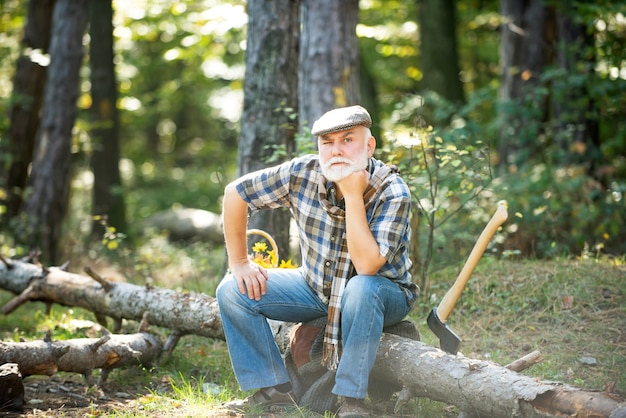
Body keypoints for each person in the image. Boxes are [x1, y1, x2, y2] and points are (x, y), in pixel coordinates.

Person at [216, 105, 419, 417]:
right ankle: (275, 389)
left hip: (381, 293)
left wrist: (353, 196)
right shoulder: (303, 173)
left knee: (361, 288)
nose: (336, 150)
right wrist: (240, 262)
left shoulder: (393, 191)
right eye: (327, 142)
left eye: (347, 140)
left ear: (369, 145)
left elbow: (366, 267)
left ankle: (350, 399)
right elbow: (235, 193)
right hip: (315, 288)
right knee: (232, 290)